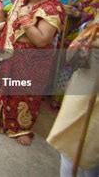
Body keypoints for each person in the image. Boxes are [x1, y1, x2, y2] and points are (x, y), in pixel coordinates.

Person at [0, 0, 64, 146]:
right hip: (10, 54)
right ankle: (0, 120)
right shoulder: (21, 3)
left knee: (24, 94)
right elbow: (10, 27)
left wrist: (25, 20)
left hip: (32, 59)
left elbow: (42, 40)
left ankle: (21, 128)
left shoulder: (51, 8)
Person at [47, 19, 99, 177]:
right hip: (82, 89)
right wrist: (87, 36)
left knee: (92, 155)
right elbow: (72, 57)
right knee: (69, 146)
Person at [53, 0, 99, 106]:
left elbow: (93, 11)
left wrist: (76, 13)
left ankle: (62, 100)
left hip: (79, 31)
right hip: (61, 25)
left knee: (69, 64)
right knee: (56, 59)